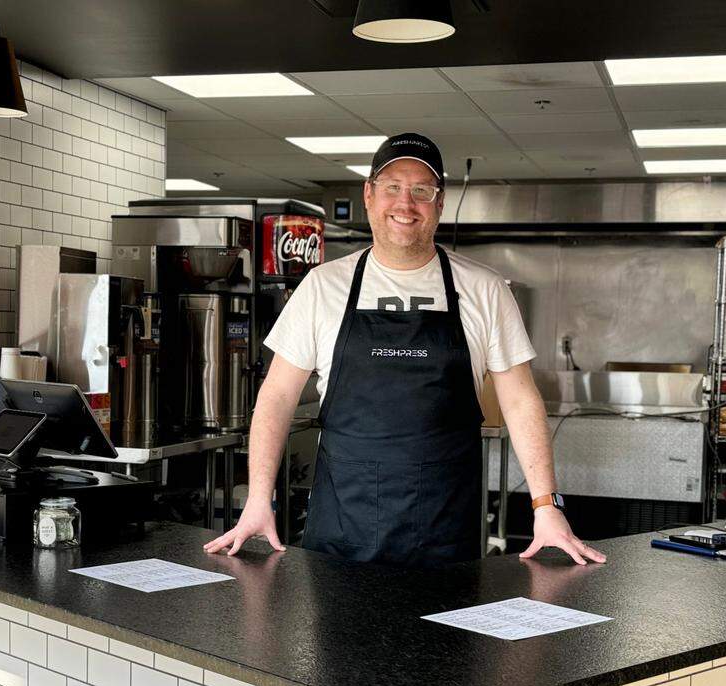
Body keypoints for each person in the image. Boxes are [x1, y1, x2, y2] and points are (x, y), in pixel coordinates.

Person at [204, 132, 606, 568]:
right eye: (393, 187)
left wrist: (546, 506)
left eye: (421, 190)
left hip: (446, 529)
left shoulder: (483, 288)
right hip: (341, 528)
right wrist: (259, 499)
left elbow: (520, 399)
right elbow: (277, 395)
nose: (405, 203)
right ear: (369, 195)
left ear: (440, 202)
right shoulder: (323, 287)